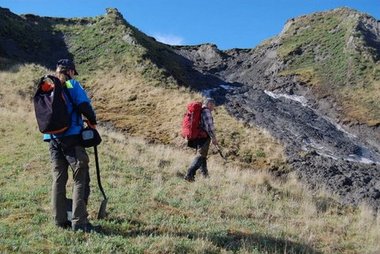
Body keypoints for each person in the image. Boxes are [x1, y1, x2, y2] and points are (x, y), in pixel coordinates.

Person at [44, 59, 98, 232]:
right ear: (70, 71)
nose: (74, 75)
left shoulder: (48, 86)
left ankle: (60, 220)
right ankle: (79, 222)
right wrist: (92, 121)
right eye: (74, 72)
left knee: (58, 179)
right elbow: (84, 105)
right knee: (80, 178)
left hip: (52, 139)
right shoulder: (71, 84)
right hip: (72, 138)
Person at [184, 98, 218, 181]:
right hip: (204, 137)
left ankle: (205, 175)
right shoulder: (206, 111)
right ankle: (189, 174)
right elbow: (210, 126)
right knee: (200, 156)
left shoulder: (201, 110)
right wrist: (214, 138)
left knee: (203, 156)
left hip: (198, 136)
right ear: (209, 104)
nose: (213, 108)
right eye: (213, 105)